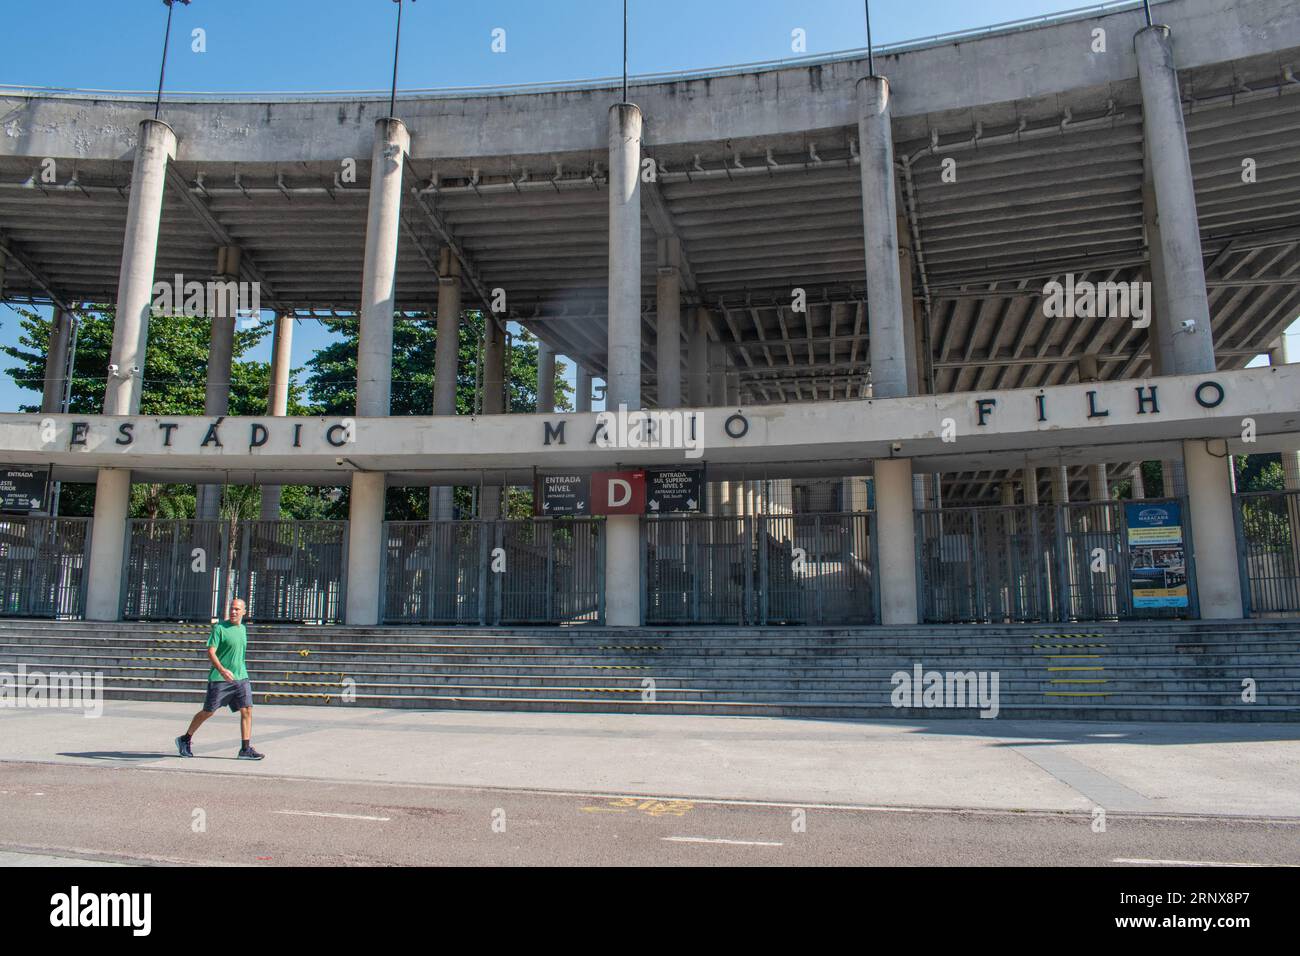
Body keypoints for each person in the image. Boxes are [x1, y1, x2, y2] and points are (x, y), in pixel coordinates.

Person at [176, 598, 264, 760]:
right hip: (220, 678)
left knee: (247, 710)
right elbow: (211, 652)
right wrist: (223, 671)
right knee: (208, 711)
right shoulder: (219, 628)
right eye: (232, 608)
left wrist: (239, 672)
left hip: (241, 677)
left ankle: (245, 749)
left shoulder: (243, 629)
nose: (233, 611)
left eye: (237, 609)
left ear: (244, 612)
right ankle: (185, 739)